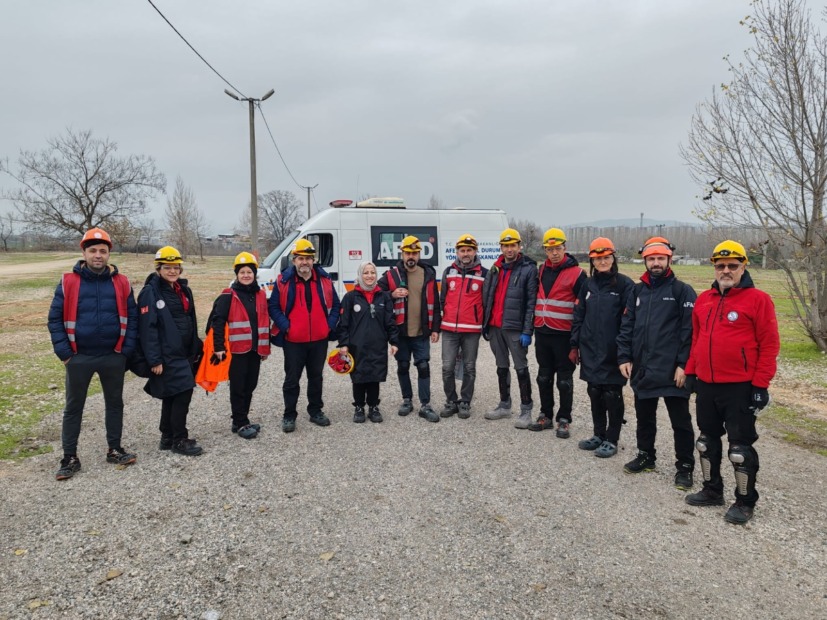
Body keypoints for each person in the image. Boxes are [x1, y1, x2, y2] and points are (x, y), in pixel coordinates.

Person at [683, 241, 779, 525]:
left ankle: (745, 501)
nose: (726, 270)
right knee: (705, 442)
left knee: (739, 450)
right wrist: (691, 371)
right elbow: (697, 339)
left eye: (732, 266)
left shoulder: (758, 300)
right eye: (720, 266)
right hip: (707, 384)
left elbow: (769, 345)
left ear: (743, 267)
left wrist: (761, 385)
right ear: (714, 267)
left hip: (740, 387)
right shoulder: (704, 300)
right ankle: (712, 490)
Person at [47, 228, 138, 480]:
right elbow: (54, 319)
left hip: (113, 356)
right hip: (79, 357)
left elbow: (132, 320)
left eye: (103, 251)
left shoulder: (122, 282)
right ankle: (69, 457)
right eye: (93, 250)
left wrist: (125, 352)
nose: (98, 255)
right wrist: (65, 353)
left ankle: (114, 448)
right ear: (84, 252)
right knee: (74, 407)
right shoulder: (68, 282)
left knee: (115, 404)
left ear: (109, 253)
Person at [617, 236, 697, 489]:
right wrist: (624, 357)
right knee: (645, 417)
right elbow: (626, 326)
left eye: (660, 258)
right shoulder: (637, 291)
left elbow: (689, 332)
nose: (655, 263)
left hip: (674, 371)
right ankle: (646, 456)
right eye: (651, 259)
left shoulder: (682, 291)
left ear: (669, 260)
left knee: (680, 422)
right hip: (643, 368)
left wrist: (684, 365)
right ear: (645, 261)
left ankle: (685, 466)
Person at [570, 237, 634, 458]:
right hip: (590, 349)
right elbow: (578, 316)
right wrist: (574, 345)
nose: (602, 262)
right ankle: (598, 434)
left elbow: (629, 321)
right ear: (592, 261)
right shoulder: (588, 285)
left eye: (606, 258)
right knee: (594, 391)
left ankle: (611, 438)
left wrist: (626, 351)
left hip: (613, 350)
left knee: (611, 394)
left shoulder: (625, 285)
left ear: (613, 258)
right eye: (598, 259)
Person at [269, 238, 340, 433]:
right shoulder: (283, 281)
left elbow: (336, 306)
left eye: (308, 258)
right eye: (301, 258)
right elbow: (273, 307)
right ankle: (289, 415)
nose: (305, 262)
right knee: (292, 380)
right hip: (294, 341)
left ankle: (315, 410)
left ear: (313, 260)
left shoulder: (324, 280)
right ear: (294, 260)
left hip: (319, 340)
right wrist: (287, 327)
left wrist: (329, 326)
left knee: (316, 377)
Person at [138, 246, 204, 456]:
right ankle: (179, 439)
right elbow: (147, 328)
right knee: (184, 392)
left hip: (184, 352)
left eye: (176, 267)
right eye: (167, 267)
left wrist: (196, 346)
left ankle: (166, 436)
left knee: (172, 395)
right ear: (159, 268)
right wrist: (154, 360)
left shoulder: (184, 290)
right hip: (167, 354)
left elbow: (190, 318)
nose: (172, 271)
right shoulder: (151, 292)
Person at [528, 227, 586, 437]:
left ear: (565, 248)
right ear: (545, 249)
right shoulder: (542, 269)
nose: (554, 253)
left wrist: (576, 341)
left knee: (564, 380)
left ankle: (564, 418)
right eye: (550, 249)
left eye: (558, 248)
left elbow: (582, 308)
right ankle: (545, 415)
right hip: (543, 332)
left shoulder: (578, 273)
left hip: (564, 334)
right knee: (543, 377)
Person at [378, 235, 442, 423]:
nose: (411, 256)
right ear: (402, 253)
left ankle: (425, 404)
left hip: (422, 332)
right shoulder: (392, 275)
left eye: (414, 252)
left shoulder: (428, 273)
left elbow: (435, 303)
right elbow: (376, 294)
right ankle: (407, 400)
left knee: (423, 367)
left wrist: (436, 328)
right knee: (403, 366)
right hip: (401, 332)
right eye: (408, 253)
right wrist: (391, 293)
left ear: (419, 254)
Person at [208, 252, 270, 439]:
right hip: (236, 351)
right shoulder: (228, 295)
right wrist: (219, 347)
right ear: (236, 274)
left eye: (249, 272)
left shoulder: (260, 294)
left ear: (254, 274)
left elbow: (264, 321)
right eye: (242, 272)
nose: (245, 275)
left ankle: (242, 419)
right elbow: (217, 322)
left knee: (251, 385)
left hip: (254, 350)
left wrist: (264, 348)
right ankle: (240, 422)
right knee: (238, 386)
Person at [482, 228, 538, 428]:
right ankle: (504, 405)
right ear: (501, 247)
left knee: (521, 368)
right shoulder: (495, 269)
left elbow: (532, 302)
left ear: (519, 246)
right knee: (501, 367)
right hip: (496, 326)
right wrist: (486, 323)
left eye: (512, 245)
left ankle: (526, 409)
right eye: (505, 246)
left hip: (515, 328)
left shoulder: (528, 269)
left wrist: (527, 330)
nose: (509, 249)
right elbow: (487, 297)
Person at [337, 262, 399, 423]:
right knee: (358, 376)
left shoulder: (384, 296)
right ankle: (359, 407)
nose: (370, 276)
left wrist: (394, 341)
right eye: (366, 273)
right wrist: (343, 343)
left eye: (372, 272)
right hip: (356, 346)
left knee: (374, 376)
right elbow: (343, 323)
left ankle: (373, 406)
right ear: (360, 275)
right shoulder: (350, 297)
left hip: (377, 344)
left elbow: (390, 322)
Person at [438, 234, 488, 419]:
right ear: (457, 252)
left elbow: (486, 302)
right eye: (462, 250)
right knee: (447, 367)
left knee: (469, 367)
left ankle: (465, 401)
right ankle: (451, 401)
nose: (465, 254)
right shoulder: (448, 272)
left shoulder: (484, 274)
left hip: (472, 330)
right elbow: (442, 299)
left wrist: (485, 326)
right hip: (449, 328)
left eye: (469, 250)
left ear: (475, 251)